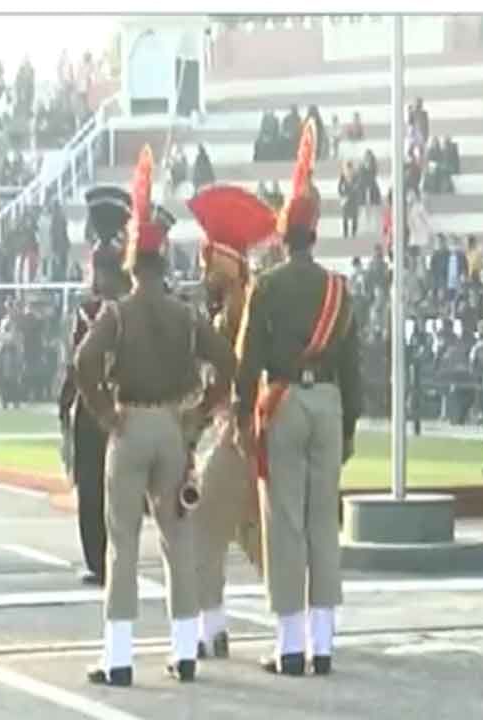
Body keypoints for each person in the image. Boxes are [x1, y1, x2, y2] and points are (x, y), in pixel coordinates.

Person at [73, 146, 236, 687]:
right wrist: (204, 412)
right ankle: (184, 650)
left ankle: (118, 657)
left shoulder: (117, 314)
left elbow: (84, 363)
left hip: (129, 422)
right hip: (173, 427)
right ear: (163, 262)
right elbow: (227, 361)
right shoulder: (186, 315)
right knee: (177, 539)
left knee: (122, 544)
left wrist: (103, 411)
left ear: (130, 263)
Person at [234, 120, 361, 677]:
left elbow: (246, 362)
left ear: (284, 236)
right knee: (321, 524)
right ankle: (324, 644)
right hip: (329, 404)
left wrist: (243, 417)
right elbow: (355, 369)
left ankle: (289, 646)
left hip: (282, 403)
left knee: (283, 522)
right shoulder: (339, 289)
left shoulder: (266, 287)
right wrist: (350, 423)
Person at [186, 184, 276, 659]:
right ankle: (297, 622)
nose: (204, 275)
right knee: (257, 534)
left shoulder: (234, 315)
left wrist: (194, 419)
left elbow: (221, 385)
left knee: (204, 527)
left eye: (209, 266)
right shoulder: (246, 306)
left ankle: (212, 627)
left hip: (234, 433)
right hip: (256, 433)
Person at [59, 185, 132, 587]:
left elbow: (77, 362)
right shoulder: (107, 308)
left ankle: (101, 559)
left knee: (101, 488)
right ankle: (106, 559)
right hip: (110, 405)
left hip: (99, 406)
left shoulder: (94, 311)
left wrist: (67, 400)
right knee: (101, 487)